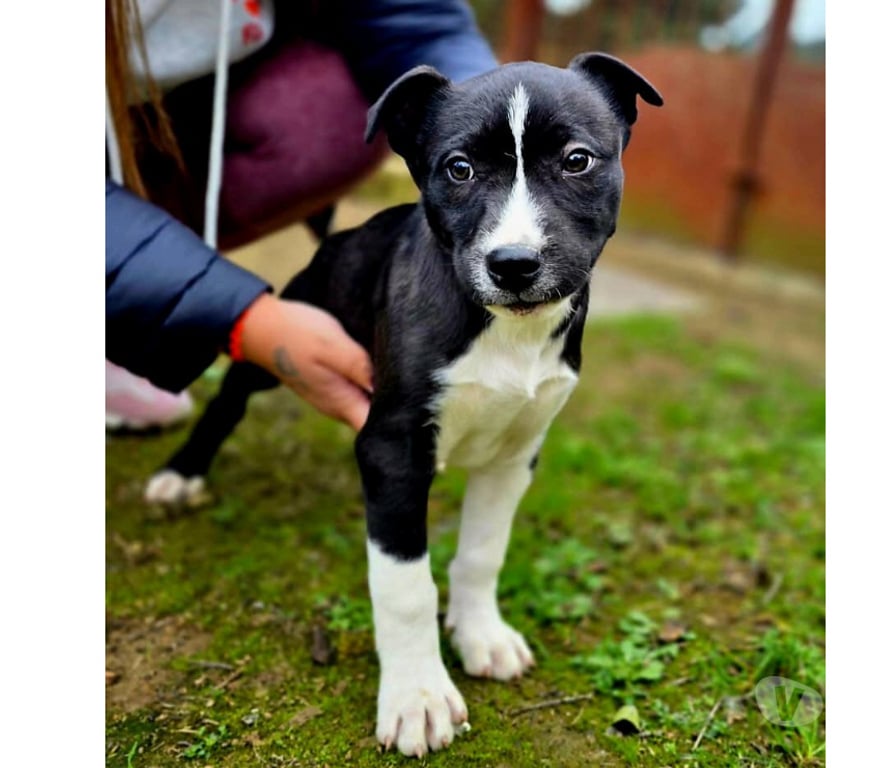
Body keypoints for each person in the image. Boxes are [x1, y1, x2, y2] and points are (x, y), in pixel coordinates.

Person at [106, 0, 498, 432]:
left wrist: (489, 116)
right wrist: (250, 322)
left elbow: (412, 16)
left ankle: (124, 310)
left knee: (330, 113)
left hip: (180, 100)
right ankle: (121, 307)